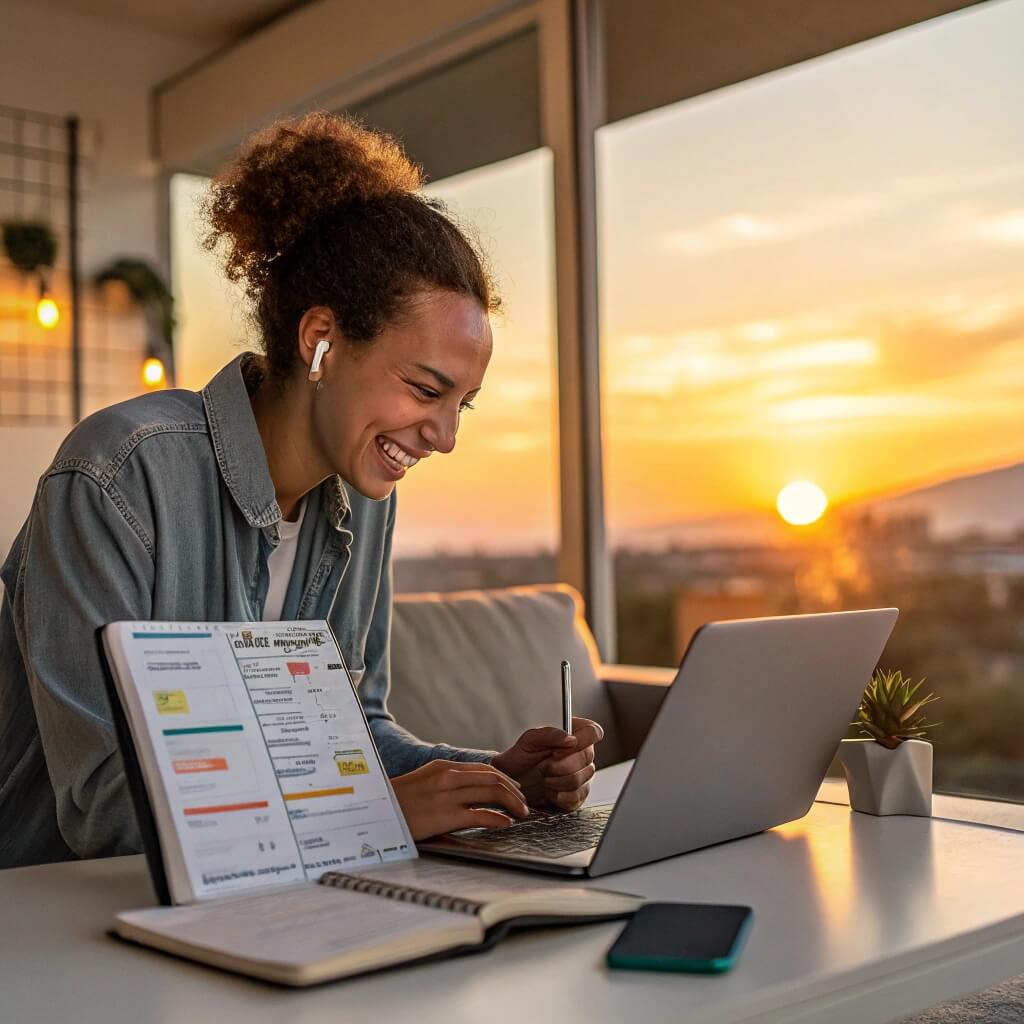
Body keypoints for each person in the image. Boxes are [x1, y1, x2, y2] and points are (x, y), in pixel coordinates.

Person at [0, 113, 603, 869]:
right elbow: (102, 802)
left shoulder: (362, 500)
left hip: (270, 892)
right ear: (320, 341)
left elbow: (354, 737)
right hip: (65, 912)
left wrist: (488, 777)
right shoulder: (119, 475)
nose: (445, 436)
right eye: (425, 389)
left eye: (462, 404)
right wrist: (373, 811)